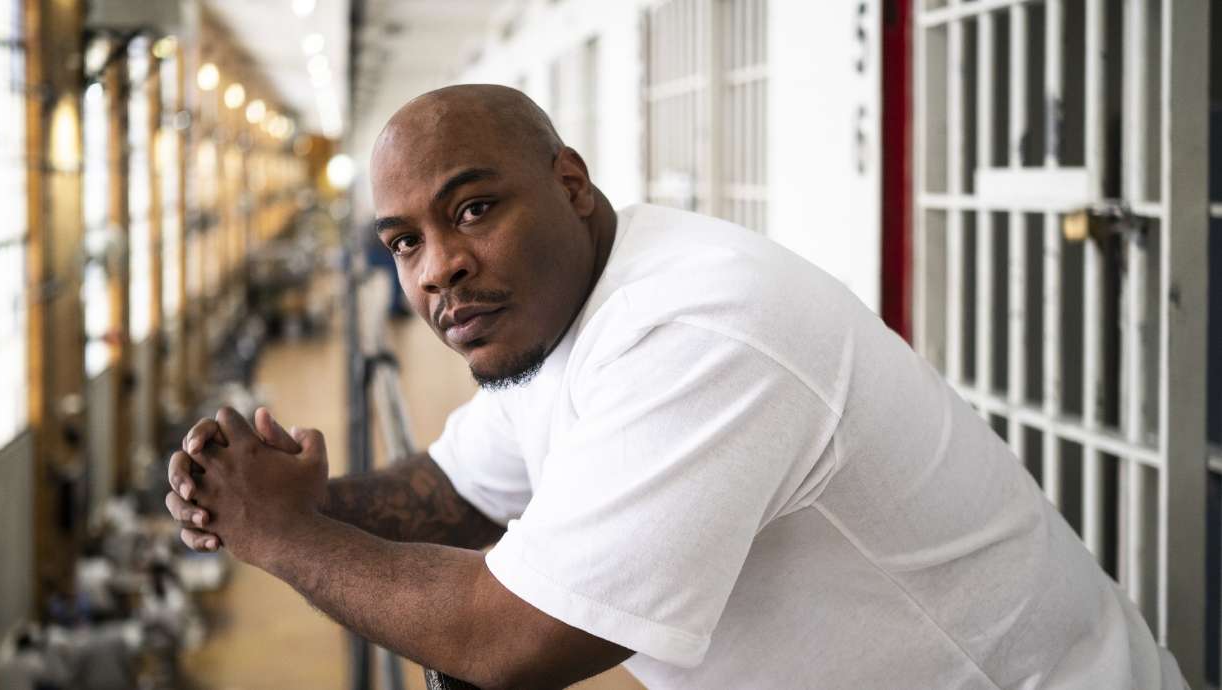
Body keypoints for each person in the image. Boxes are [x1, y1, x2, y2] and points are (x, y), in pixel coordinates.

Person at [165, 84, 1183, 690]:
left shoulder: (696, 328)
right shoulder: (550, 316)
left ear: (570, 185)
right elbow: (457, 492)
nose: (440, 269)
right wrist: (295, 501)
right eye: (404, 243)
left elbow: (510, 640)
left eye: (472, 210)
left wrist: (281, 535)